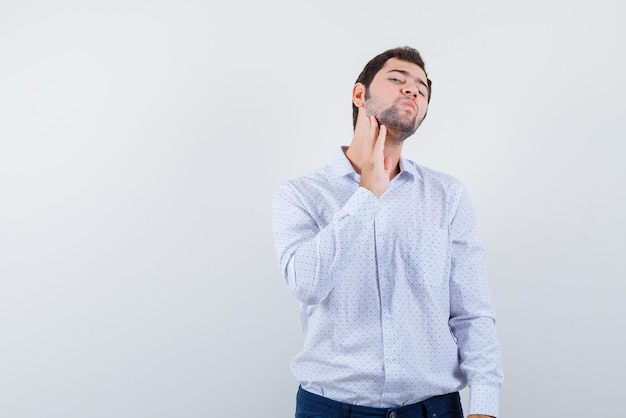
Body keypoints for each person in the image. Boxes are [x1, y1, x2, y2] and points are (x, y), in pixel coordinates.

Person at [272, 46, 503, 418]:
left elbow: (471, 311)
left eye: (422, 89)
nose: (412, 90)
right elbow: (307, 285)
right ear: (359, 94)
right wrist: (367, 194)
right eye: (397, 79)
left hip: (435, 410)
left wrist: (485, 405)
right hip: (330, 409)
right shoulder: (300, 195)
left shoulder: (448, 195)